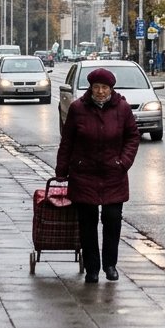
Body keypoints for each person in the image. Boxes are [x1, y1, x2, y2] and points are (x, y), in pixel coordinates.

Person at [55, 67, 140, 284]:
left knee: (112, 220)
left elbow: (132, 137)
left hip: (114, 174)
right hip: (84, 174)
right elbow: (67, 141)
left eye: (104, 88)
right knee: (87, 223)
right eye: (96, 87)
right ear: (90, 88)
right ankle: (92, 268)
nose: (100, 92)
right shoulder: (77, 109)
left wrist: (123, 162)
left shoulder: (122, 108)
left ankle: (110, 265)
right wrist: (62, 169)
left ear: (111, 88)